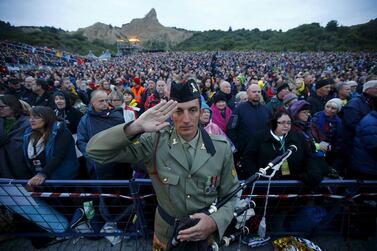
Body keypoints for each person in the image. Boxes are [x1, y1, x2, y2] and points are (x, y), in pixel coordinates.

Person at [86, 80, 239, 250]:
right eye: (179, 111)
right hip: (167, 233)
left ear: (201, 112)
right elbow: (95, 151)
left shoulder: (220, 148)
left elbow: (231, 195)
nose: (186, 119)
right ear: (171, 114)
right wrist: (135, 127)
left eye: (192, 110)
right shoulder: (155, 142)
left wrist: (214, 222)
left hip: (205, 237)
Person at [242, 110, 314, 184]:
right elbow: (248, 158)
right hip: (265, 183)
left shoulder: (298, 137)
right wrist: (256, 177)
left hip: (294, 183)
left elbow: (309, 157)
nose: (286, 126)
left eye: (289, 123)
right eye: (282, 123)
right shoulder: (259, 137)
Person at [23, 106, 79, 184]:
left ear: (47, 118)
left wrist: (43, 174)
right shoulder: (28, 133)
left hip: (61, 179)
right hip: (38, 178)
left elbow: (58, 156)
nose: (31, 120)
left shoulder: (61, 131)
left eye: (36, 117)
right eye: (30, 117)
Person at [0, 95, 31, 178]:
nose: (0, 109)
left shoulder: (28, 122)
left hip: (21, 164)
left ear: (13, 106)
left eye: (2, 107)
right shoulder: (1, 122)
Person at [311, 98, 343, 171]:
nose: (329, 109)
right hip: (315, 147)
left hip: (329, 152)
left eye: (333, 108)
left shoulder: (338, 123)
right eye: (327, 106)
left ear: (337, 110)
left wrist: (331, 148)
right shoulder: (317, 116)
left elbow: (338, 140)